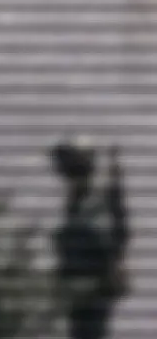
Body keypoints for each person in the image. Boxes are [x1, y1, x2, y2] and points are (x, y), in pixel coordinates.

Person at [53, 139, 131, 339]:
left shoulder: (92, 202)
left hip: (92, 287)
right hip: (83, 289)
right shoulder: (79, 201)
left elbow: (115, 236)